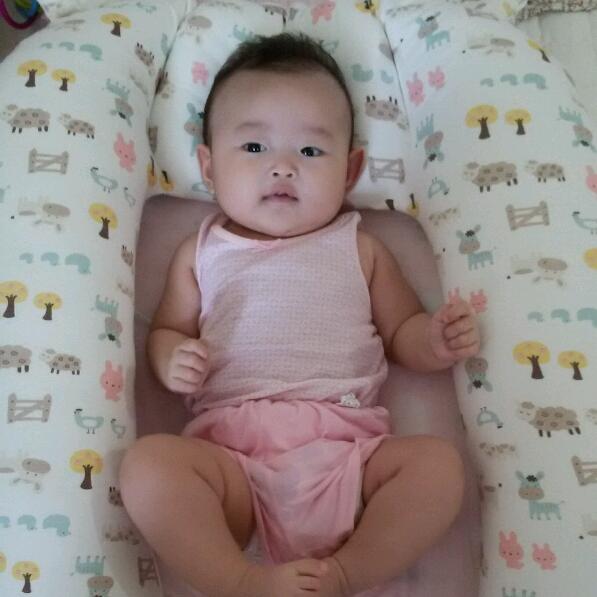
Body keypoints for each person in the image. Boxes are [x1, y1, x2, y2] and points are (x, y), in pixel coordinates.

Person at [120, 33, 480, 597]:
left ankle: (346, 573)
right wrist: (172, 360)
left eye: (311, 152)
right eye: (254, 147)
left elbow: (402, 331)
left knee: (437, 468)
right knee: (148, 467)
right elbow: (166, 330)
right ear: (209, 166)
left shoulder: (360, 248)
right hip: (232, 460)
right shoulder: (202, 252)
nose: (283, 168)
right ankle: (240, 581)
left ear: (350, 170)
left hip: (347, 456)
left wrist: (433, 342)